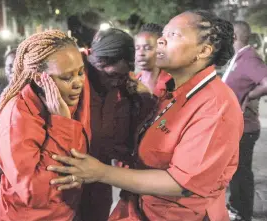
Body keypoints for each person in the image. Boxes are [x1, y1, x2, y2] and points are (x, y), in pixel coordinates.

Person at [47, 10, 244, 221]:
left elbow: (180, 184)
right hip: (138, 207)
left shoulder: (215, 107)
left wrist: (100, 172)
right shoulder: (169, 91)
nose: (161, 40)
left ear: (204, 50)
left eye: (173, 35)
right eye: (164, 34)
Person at [0, 30, 91, 221]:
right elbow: (36, 191)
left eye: (81, 72)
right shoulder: (16, 116)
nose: (78, 83)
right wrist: (62, 125)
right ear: (38, 78)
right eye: (67, 77)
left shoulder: (65, 98)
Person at [80, 28, 155, 221]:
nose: (116, 82)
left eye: (123, 76)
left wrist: (145, 99)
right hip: (65, 181)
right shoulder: (73, 81)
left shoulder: (124, 88)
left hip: (97, 182)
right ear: (96, 61)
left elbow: (126, 141)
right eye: (112, 75)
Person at [222, 21, 267, 221]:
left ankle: (243, 213)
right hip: (235, 126)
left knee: (241, 173)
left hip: (245, 128)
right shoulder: (239, 58)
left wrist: (249, 97)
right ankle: (237, 208)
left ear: (233, 37)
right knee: (235, 170)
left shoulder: (248, 58)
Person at [135, 23, 174, 98]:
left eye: (147, 48)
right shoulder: (129, 85)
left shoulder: (173, 85)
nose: (140, 53)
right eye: (137, 48)